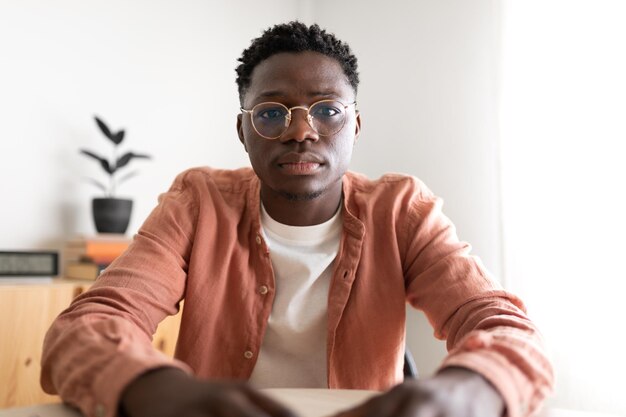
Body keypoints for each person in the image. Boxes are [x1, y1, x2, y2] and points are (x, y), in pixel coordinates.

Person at [41, 21, 553, 417]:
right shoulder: (197, 204)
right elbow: (86, 328)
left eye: (327, 110)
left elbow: (506, 330)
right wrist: (159, 389)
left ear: (355, 125)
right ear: (243, 133)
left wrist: (461, 391)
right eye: (271, 114)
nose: (301, 132)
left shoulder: (402, 211)